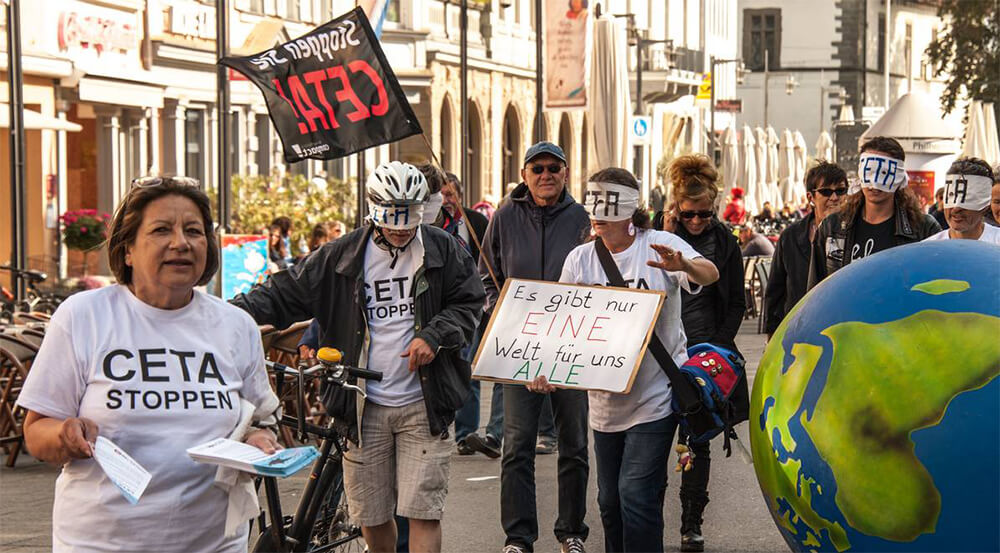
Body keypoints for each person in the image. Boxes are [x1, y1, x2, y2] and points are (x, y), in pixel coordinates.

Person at [232, 161, 485, 553]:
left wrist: (434, 337)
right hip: (361, 405)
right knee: (371, 514)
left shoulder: (443, 248)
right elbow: (283, 293)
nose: (401, 229)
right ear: (374, 209)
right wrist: (221, 315)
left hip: (425, 400)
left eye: (410, 217)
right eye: (392, 218)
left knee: (423, 511)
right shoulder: (341, 255)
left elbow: (470, 302)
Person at [18, 176, 281, 552]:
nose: (181, 243)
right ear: (127, 250)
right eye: (161, 230)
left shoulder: (235, 326)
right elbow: (35, 432)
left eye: (194, 230)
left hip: (214, 542)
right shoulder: (83, 316)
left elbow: (259, 417)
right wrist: (64, 435)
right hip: (101, 543)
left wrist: (258, 439)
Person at [529, 166, 719, 553]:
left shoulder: (659, 244)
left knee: (635, 492)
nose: (598, 219)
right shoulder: (580, 260)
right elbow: (561, 326)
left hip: (655, 396)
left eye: (606, 209)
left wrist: (682, 264)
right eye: (594, 210)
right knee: (609, 502)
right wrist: (545, 369)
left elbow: (710, 273)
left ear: (630, 209)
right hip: (604, 401)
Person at [480, 141, 591, 553]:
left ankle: (572, 532)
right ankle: (519, 537)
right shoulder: (505, 216)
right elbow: (486, 274)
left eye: (554, 168)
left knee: (575, 444)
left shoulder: (583, 217)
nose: (546, 175)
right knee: (517, 445)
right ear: (524, 175)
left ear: (566, 174)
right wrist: (501, 312)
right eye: (538, 168)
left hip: (574, 344)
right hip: (519, 344)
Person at [659, 155, 747, 553]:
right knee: (652, 442)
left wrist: (721, 346)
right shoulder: (653, 234)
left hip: (705, 354)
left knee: (697, 442)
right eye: (689, 214)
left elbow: (736, 302)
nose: (696, 222)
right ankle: (643, 520)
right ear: (676, 206)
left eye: (705, 215)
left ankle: (691, 523)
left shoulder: (725, 241)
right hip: (659, 352)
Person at [808, 136, 940, 289]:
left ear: (898, 177)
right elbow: (815, 291)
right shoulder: (832, 227)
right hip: (844, 312)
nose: (874, 183)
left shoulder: (924, 229)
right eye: (869, 171)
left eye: (884, 173)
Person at [436, 172, 496, 457]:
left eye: (451, 195)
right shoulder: (434, 224)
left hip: (478, 306)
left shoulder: (476, 222)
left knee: (473, 367)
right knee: (453, 369)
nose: (446, 201)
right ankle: (452, 430)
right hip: (445, 308)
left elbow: (490, 258)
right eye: (442, 195)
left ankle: (473, 433)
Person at [765, 162, 847, 337]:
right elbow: (775, 289)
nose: (834, 197)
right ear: (811, 197)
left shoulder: (854, 233)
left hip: (842, 327)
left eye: (840, 191)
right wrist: (771, 336)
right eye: (826, 191)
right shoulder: (791, 236)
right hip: (799, 328)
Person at [924, 157, 1000, 244]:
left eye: (968, 197)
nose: (956, 208)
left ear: (985, 205)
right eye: (951, 195)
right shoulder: (928, 249)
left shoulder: (997, 243)